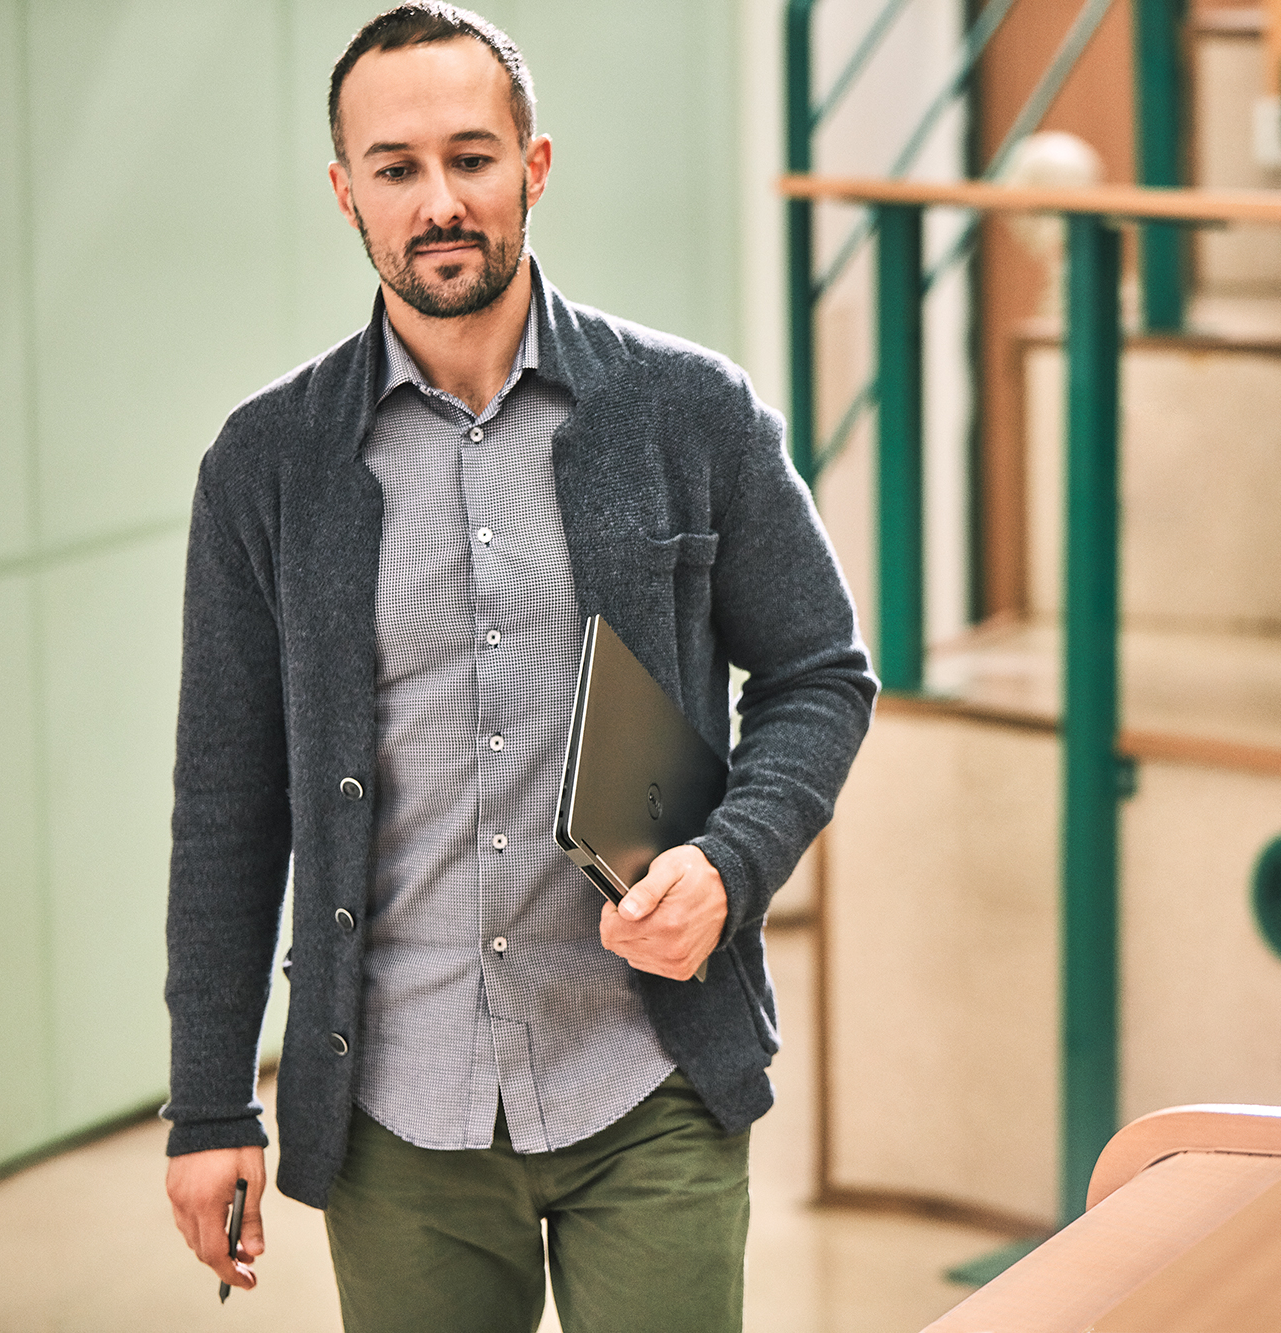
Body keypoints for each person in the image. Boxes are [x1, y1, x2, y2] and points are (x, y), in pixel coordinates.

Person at [159, 5, 874, 1330]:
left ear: (533, 167)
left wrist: (729, 862)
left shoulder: (690, 411)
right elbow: (226, 805)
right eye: (396, 167)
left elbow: (820, 674)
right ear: (346, 192)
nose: (439, 201)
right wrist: (209, 1103)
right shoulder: (265, 467)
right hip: (398, 1109)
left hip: (649, 1072)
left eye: (472, 158)